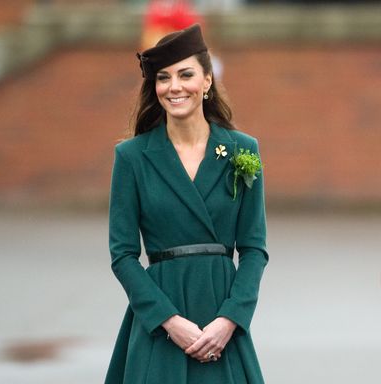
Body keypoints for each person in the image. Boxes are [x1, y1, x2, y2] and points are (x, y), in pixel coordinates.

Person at [105, 24, 269, 384]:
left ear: (207, 81)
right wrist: (169, 321)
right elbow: (123, 254)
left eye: (186, 74)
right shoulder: (132, 157)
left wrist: (231, 320)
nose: (174, 86)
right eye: (163, 78)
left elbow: (254, 249)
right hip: (160, 323)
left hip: (221, 321)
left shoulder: (244, 150)